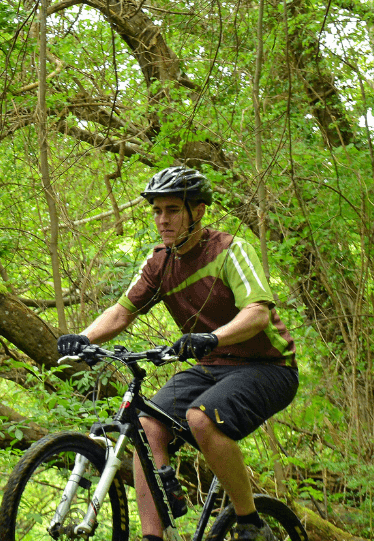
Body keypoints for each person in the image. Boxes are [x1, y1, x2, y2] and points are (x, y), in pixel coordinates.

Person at [57, 166, 299, 541]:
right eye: (156, 211)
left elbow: (258, 313)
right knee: (145, 425)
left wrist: (212, 338)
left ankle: (249, 521)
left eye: (172, 209)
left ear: (197, 211)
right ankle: (154, 536)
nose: (162, 219)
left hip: (268, 366)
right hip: (211, 365)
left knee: (201, 419)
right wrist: (82, 338)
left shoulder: (231, 251)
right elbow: (122, 311)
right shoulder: (160, 262)